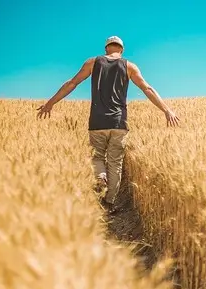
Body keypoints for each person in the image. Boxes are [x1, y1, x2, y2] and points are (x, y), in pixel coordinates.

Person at [36, 36, 180, 214]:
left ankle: (101, 177)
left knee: (97, 158)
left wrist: (50, 103)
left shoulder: (92, 62)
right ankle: (109, 201)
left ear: (106, 49)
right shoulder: (129, 66)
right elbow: (147, 89)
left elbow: (72, 83)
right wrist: (167, 110)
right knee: (115, 163)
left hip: (97, 121)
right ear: (121, 50)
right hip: (119, 122)